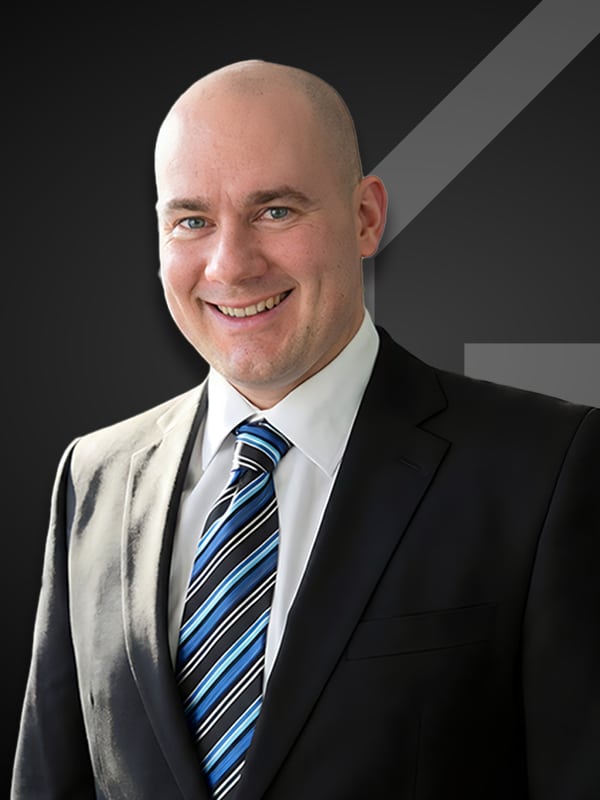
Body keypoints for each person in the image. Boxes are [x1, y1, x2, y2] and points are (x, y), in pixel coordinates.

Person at [11, 59, 599, 800]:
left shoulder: (546, 469)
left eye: (275, 211)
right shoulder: (92, 477)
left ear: (365, 218)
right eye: (192, 220)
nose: (231, 265)